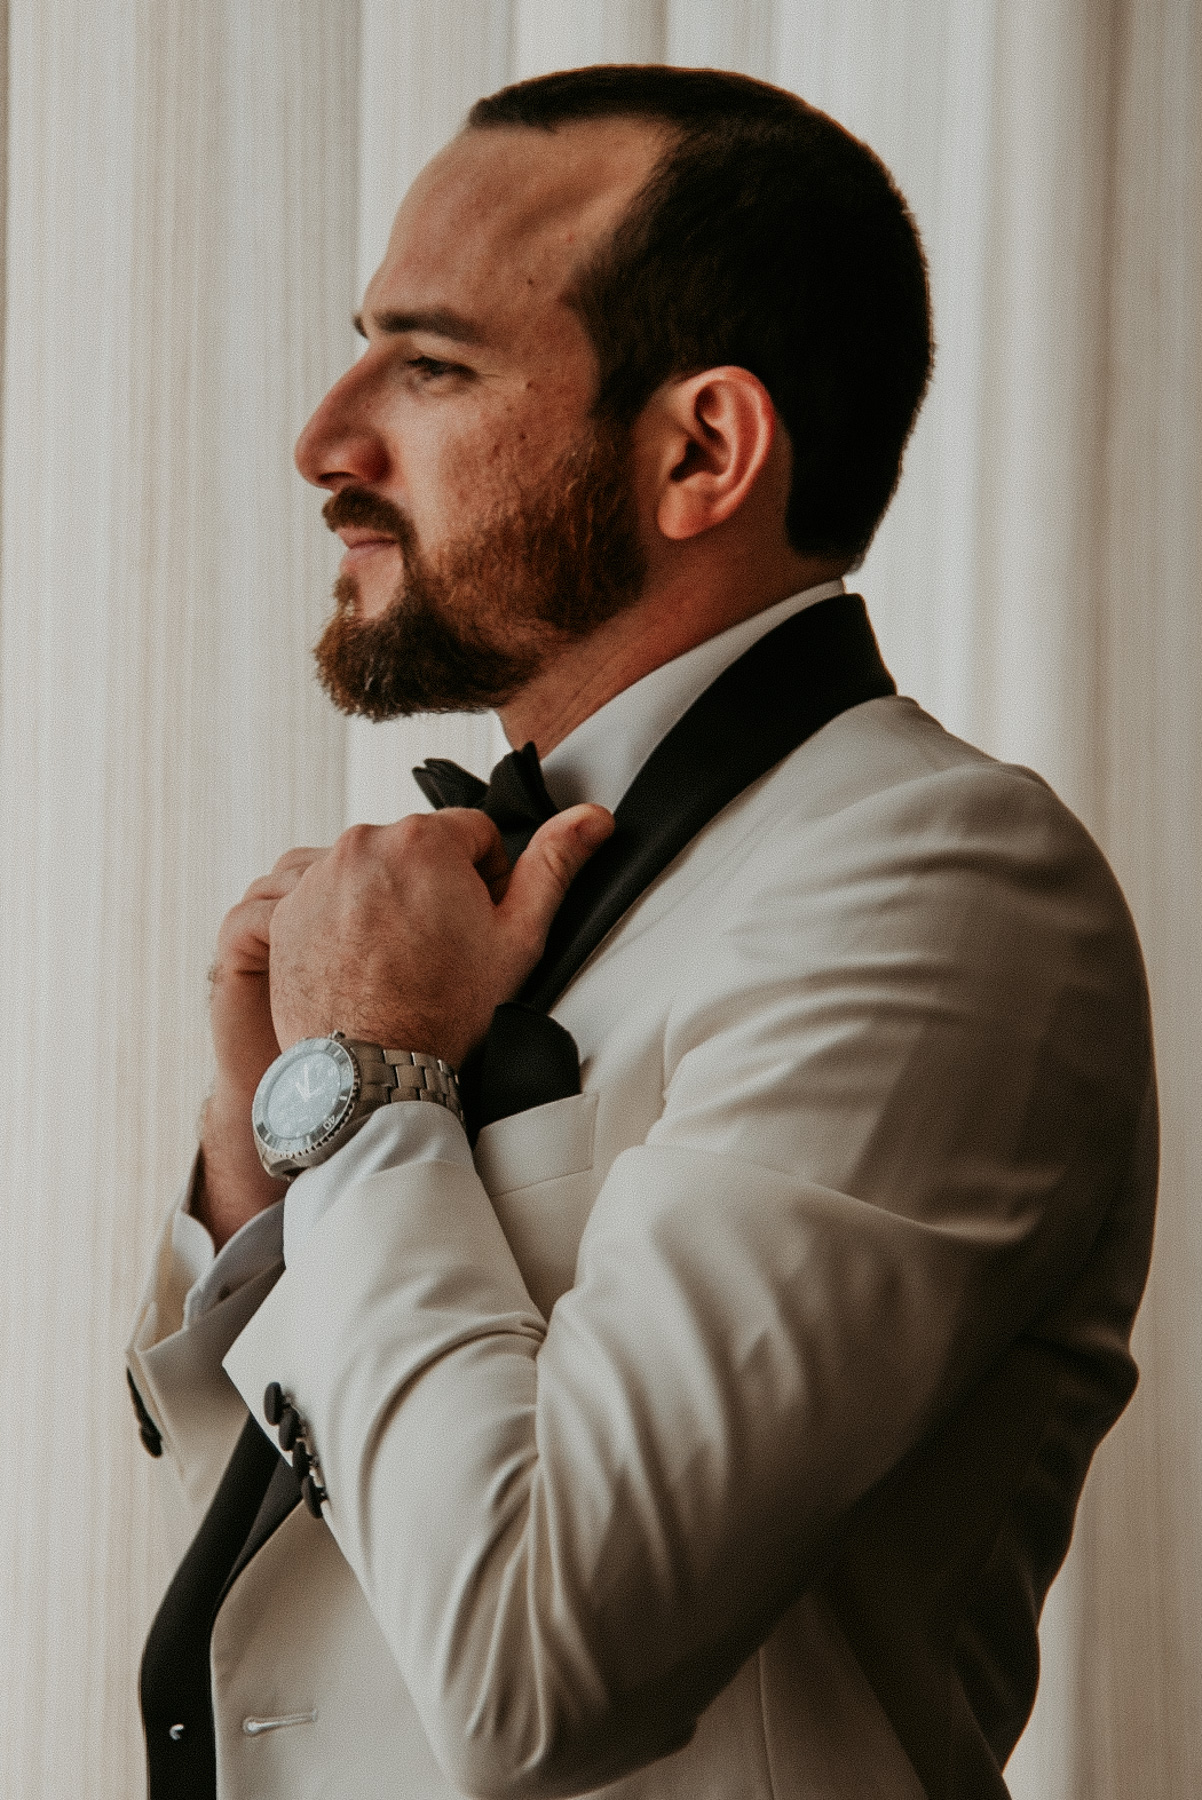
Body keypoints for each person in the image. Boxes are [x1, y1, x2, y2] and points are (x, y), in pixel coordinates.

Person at [126, 65, 1156, 1800]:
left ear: (701, 451)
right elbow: (305, 1584)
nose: (324, 438)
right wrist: (261, 1166)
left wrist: (367, 1092)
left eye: (431, 365)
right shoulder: (477, 885)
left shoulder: (943, 884)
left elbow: (542, 1667)